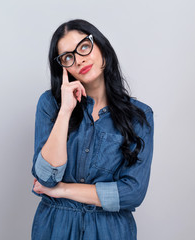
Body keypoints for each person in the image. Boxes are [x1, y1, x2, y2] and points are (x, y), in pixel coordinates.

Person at [30, 19, 154, 240]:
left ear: (101, 47)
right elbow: (46, 178)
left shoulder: (139, 116)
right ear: (63, 67)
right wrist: (66, 110)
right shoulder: (50, 105)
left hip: (110, 231)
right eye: (68, 57)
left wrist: (62, 191)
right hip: (55, 228)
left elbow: (132, 193)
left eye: (84, 47)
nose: (79, 60)